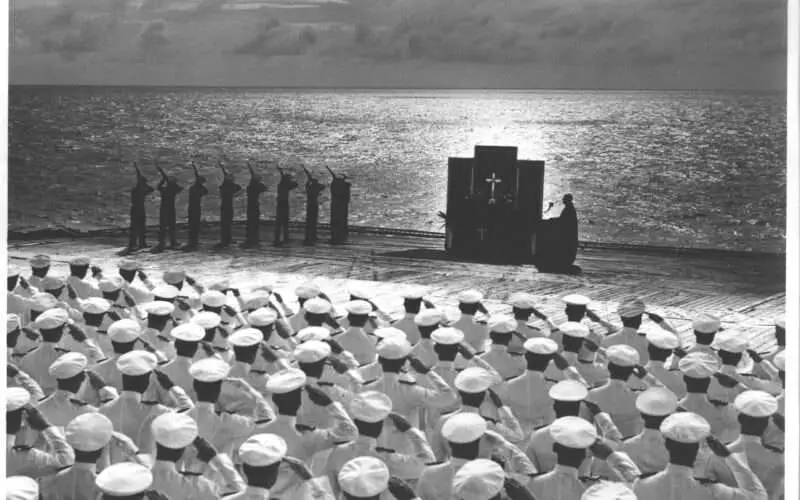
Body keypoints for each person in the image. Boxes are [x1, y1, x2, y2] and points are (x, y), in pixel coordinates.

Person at [153, 165, 182, 252]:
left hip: (164, 209)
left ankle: (162, 243)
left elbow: (159, 186)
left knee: (163, 226)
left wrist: (164, 179)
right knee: (171, 226)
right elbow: (179, 188)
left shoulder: (164, 189)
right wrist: (167, 180)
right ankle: (172, 242)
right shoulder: (174, 189)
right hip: (171, 209)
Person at [128, 163, 154, 252]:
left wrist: (137, 170)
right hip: (137, 209)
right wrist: (144, 184)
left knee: (141, 227)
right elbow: (151, 189)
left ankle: (140, 243)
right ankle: (134, 244)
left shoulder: (137, 189)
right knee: (136, 228)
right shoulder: (139, 190)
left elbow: (151, 189)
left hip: (138, 209)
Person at [183, 163, 208, 251]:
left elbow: (204, 190)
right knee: (194, 226)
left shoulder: (193, 188)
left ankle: (192, 242)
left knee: (192, 226)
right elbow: (205, 191)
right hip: (196, 209)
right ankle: (193, 242)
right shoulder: (199, 189)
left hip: (192, 208)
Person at [217, 163, 242, 248]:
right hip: (228, 207)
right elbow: (239, 188)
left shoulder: (223, 186)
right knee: (227, 224)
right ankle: (227, 240)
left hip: (224, 206)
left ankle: (225, 239)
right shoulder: (232, 186)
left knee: (225, 224)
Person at [244, 163, 267, 248]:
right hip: (254, 206)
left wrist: (255, 179)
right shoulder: (256, 187)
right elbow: (264, 188)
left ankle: (250, 238)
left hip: (250, 206)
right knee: (254, 223)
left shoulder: (250, 187)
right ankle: (253, 239)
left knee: (250, 223)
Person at [274, 168, 298, 247]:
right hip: (283, 203)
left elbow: (291, 183)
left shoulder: (281, 184)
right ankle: (284, 238)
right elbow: (296, 184)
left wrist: (284, 176)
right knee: (284, 222)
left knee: (280, 222)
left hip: (280, 203)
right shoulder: (286, 185)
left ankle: (278, 238)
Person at [328, 166, 351, 244]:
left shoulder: (337, 187)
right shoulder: (344, 188)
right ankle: (339, 235)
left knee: (337, 222)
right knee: (340, 222)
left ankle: (337, 235)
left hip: (337, 207)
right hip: (340, 207)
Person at [303, 167, 326, 246]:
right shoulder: (317, 188)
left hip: (309, 205)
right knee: (313, 221)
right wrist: (314, 181)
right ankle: (313, 235)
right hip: (314, 205)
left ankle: (308, 236)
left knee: (309, 221)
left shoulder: (309, 188)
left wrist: (310, 180)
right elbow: (323, 187)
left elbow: (307, 184)